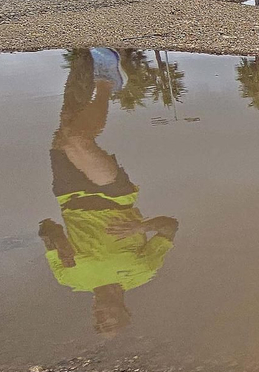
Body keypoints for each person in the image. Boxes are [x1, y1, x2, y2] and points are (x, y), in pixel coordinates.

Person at [39, 48, 178, 335]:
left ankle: (83, 60)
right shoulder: (142, 272)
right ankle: (106, 83)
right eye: (110, 321)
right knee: (76, 140)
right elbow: (170, 226)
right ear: (125, 311)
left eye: (98, 323)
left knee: (67, 125)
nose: (100, 318)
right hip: (114, 196)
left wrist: (58, 242)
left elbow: (46, 227)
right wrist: (141, 227)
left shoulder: (70, 279)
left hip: (69, 196)